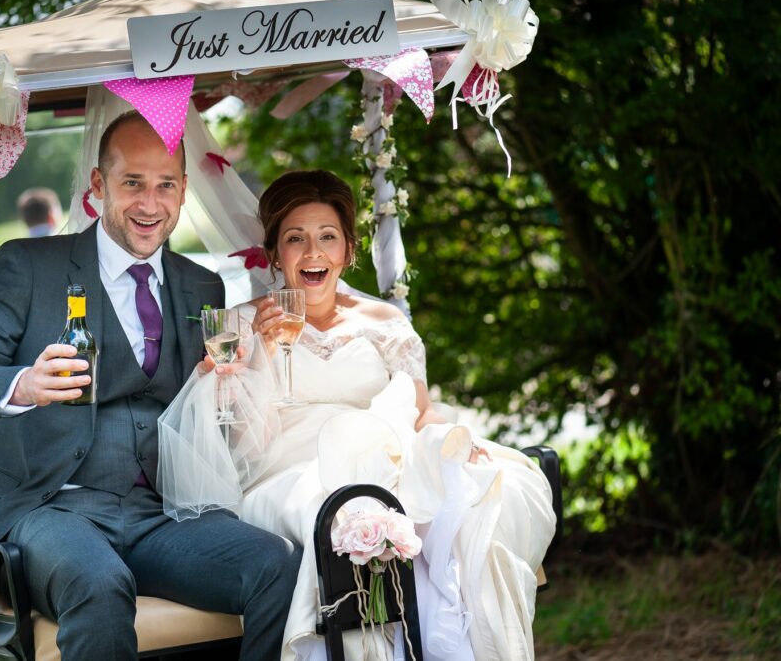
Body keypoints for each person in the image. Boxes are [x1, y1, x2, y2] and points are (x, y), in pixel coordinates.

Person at [0, 111, 301, 661]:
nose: (150, 204)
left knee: (276, 563)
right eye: (133, 183)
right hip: (50, 507)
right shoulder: (29, 266)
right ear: (99, 186)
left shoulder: (200, 286)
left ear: (183, 191)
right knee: (99, 585)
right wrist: (24, 385)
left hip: (159, 512)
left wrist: (227, 383)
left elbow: (203, 410)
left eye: (166, 186)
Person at [159, 170, 557, 661]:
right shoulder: (243, 322)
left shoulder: (385, 323)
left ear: (348, 249)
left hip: (382, 458)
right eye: (295, 239)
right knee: (339, 506)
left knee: (466, 492)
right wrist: (257, 352)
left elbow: (421, 414)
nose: (312, 253)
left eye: (327, 237)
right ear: (275, 254)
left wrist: (453, 437)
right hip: (282, 474)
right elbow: (246, 447)